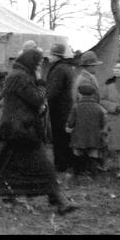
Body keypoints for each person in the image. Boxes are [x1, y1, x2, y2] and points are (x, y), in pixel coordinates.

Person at [0, 50, 78, 216]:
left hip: (14, 129)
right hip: (23, 129)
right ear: (30, 62)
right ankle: (59, 201)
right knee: (41, 166)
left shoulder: (17, 75)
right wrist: (40, 82)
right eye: (38, 63)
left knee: (3, 165)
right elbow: (38, 99)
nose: (39, 66)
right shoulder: (21, 77)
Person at [46, 43, 76, 173]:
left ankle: (61, 165)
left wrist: (45, 103)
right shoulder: (66, 67)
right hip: (66, 107)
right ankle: (68, 163)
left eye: (51, 54)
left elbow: (53, 92)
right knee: (65, 137)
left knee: (59, 137)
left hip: (59, 109)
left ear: (56, 56)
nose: (49, 56)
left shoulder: (58, 69)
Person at [65, 84, 105, 177]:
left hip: (79, 135)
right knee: (93, 153)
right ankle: (93, 174)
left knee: (77, 152)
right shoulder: (98, 107)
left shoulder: (76, 106)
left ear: (80, 94)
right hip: (94, 135)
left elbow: (71, 122)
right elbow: (102, 122)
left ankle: (77, 173)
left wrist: (68, 127)